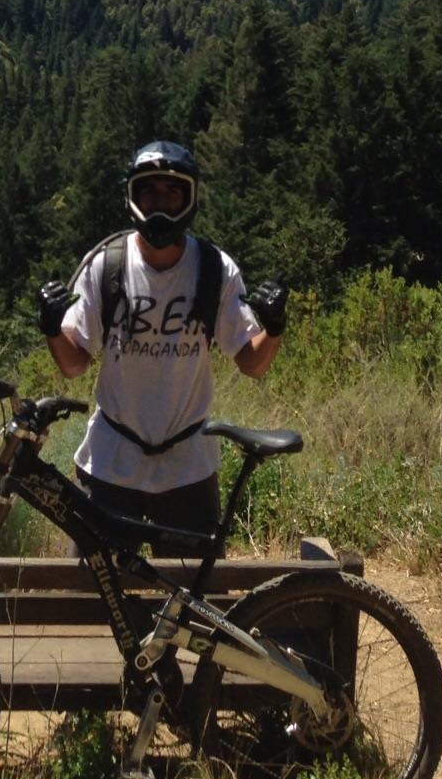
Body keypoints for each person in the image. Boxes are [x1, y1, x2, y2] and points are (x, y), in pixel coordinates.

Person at [37, 139, 288, 540]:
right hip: (110, 462)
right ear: (132, 195)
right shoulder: (106, 265)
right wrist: (52, 328)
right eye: (149, 190)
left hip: (188, 466)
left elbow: (252, 363)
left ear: (190, 199)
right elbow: (73, 363)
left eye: (173, 192)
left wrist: (274, 329)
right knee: (94, 597)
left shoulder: (214, 268)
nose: (160, 203)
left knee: (193, 598)